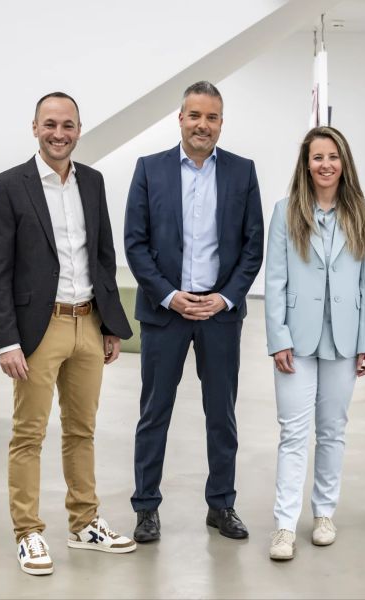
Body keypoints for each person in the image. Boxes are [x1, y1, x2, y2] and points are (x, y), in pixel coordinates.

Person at [0, 92, 136, 576]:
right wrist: (6, 340)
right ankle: (28, 532)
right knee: (28, 434)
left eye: (67, 125)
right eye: (50, 124)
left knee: (82, 430)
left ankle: (84, 522)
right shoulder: (8, 186)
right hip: (37, 329)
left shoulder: (91, 181)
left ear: (78, 129)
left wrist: (110, 325)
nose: (59, 133)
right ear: (34, 128)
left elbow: (104, 257)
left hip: (88, 323)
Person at [125, 81, 264, 543]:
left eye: (212, 117)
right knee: (154, 412)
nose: (203, 124)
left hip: (220, 314)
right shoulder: (150, 170)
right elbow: (136, 244)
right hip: (165, 313)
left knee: (221, 414)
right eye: (195, 115)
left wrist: (225, 298)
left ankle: (221, 505)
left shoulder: (243, 173)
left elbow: (252, 246)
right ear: (180, 118)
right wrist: (169, 294)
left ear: (221, 122)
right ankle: (146, 507)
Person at [264, 126, 365, 560]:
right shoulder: (285, 211)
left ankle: (324, 513)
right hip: (296, 338)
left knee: (332, 431)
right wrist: (278, 338)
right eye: (317, 157)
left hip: (345, 339)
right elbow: (274, 280)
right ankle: (283, 524)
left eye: (333, 156)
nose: (326, 164)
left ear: (344, 162)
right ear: (306, 164)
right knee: (293, 433)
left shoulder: (364, 213)